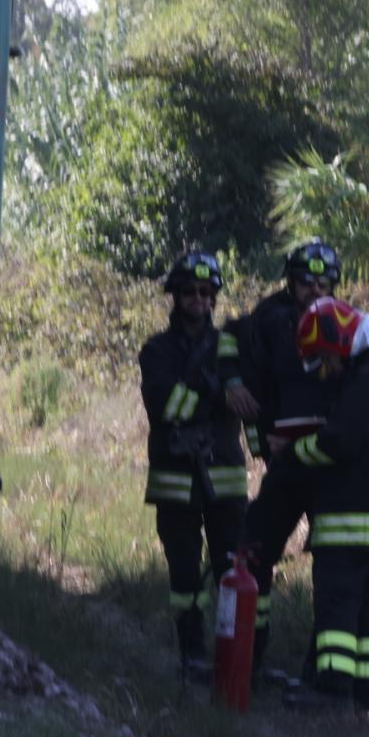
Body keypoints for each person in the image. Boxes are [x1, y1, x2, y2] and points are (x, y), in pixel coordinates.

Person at [270, 297, 369, 711]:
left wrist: (292, 451)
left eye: (324, 359)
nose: (325, 371)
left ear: (341, 343)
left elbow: (339, 443)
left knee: (337, 604)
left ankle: (330, 690)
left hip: (355, 518)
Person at [217, 238, 343, 674]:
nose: (315, 289)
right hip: (284, 463)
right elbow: (228, 339)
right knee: (252, 550)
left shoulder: (342, 323)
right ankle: (248, 654)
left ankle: (322, 671)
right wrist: (232, 381)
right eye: (306, 281)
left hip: (330, 463)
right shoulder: (267, 318)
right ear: (291, 281)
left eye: (324, 282)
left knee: (334, 567)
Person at [138, 251, 248, 683]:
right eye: (190, 292)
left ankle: (237, 657)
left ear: (215, 298)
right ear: (175, 296)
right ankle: (192, 652)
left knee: (230, 569)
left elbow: (246, 398)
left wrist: (207, 392)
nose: (198, 299)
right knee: (183, 572)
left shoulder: (231, 347)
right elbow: (164, 406)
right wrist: (215, 390)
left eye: (206, 292)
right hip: (175, 479)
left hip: (224, 478)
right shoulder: (156, 350)